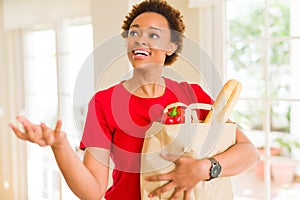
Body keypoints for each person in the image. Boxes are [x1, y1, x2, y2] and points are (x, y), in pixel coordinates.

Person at [10, 0, 260, 199]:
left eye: (153, 35)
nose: (140, 39)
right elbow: (93, 191)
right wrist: (60, 145)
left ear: (171, 46)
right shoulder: (104, 102)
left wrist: (205, 168)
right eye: (134, 33)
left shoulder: (192, 95)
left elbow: (249, 152)